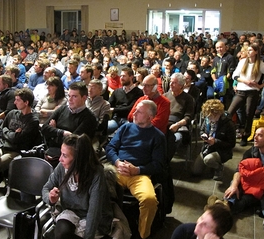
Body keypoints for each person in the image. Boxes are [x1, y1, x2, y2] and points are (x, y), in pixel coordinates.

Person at [106, 100, 166, 239]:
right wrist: (117, 162)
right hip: (117, 170)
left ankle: (143, 234)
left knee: (149, 200)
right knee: (99, 190)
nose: (134, 113)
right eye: (135, 110)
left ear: (150, 117)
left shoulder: (158, 137)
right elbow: (110, 148)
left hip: (139, 175)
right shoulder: (125, 128)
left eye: (139, 112)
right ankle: (108, 228)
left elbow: (158, 165)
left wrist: (137, 170)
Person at [42, 134, 113, 239]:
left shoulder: (96, 174)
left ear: (78, 159)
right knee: (61, 233)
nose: (60, 159)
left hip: (94, 218)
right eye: (61, 154)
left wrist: (88, 237)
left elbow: (94, 213)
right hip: (71, 211)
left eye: (65, 155)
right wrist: (50, 198)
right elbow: (46, 188)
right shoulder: (61, 167)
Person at [0, 88, 41, 200]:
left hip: (16, 151)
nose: (14, 102)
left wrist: (6, 132)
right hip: (2, 147)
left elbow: (18, 140)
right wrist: (11, 133)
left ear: (26, 102)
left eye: (17, 100)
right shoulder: (12, 113)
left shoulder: (33, 120)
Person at [223, 127, 264, 214]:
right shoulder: (252, 152)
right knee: (234, 186)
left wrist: (250, 185)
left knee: (247, 199)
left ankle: (226, 209)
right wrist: (234, 186)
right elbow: (239, 170)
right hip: (249, 180)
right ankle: (227, 204)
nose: (255, 138)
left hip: (263, 187)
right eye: (255, 134)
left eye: (260, 135)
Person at [227, 43, 264, 146]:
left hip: (252, 92)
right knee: (229, 112)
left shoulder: (261, 64)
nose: (248, 52)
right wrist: (245, 81)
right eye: (247, 50)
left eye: (250, 50)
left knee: (249, 114)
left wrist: (261, 85)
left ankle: (245, 135)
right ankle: (228, 134)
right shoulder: (242, 62)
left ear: (256, 52)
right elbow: (235, 75)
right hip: (241, 90)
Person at [41, 82, 97, 159]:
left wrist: (54, 131)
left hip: (73, 157)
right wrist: (62, 132)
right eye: (69, 96)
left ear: (84, 98)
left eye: (74, 96)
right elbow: (44, 129)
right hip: (51, 150)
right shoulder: (62, 109)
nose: (70, 100)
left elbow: (73, 143)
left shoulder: (90, 118)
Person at [192, 99, 236, 181]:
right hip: (208, 147)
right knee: (196, 171)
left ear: (219, 113)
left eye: (212, 116)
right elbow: (202, 130)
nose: (210, 119)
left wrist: (215, 141)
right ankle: (211, 163)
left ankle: (218, 167)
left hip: (221, 150)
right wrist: (203, 135)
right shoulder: (207, 119)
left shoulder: (228, 124)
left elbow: (232, 143)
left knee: (208, 160)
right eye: (208, 116)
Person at [164, 73, 195, 160]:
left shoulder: (188, 99)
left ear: (181, 85)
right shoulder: (165, 96)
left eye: (174, 82)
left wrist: (177, 124)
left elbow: (188, 117)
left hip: (179, 126)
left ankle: (166, 161)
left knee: (175, 139)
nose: (170, 84)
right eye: (170, 81)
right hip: (165, 123)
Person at [107, 67, 143, 134]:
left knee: (124, 133)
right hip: (116, 119)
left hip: (128, 120)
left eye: (124, 76)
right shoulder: (117, 91)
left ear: (131, 77)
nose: (121, 78)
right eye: (121, 76)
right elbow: (109, 104)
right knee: (104, 128)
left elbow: (130, 108)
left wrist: (114, 110)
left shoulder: (139, 92)